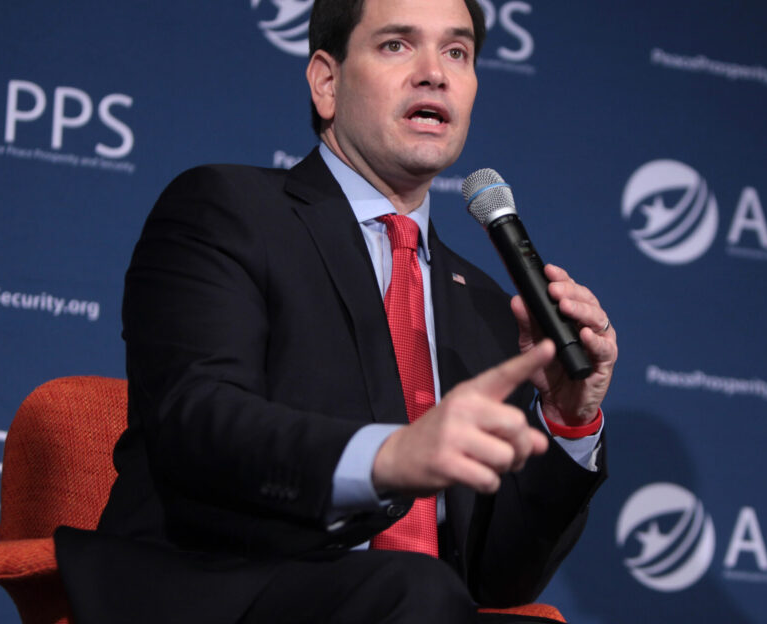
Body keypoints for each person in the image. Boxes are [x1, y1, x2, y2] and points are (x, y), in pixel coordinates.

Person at [54, 0, 617, 621]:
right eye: (397, 45)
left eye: (457, 52)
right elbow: (197, 421)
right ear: (327, 82)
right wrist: (387, 458)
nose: (435, 73)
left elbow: (499, 578)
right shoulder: (227, 210)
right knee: (417, 591)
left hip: (412, 606)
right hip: (224, 590)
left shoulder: (487, 304)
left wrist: (568, 420)